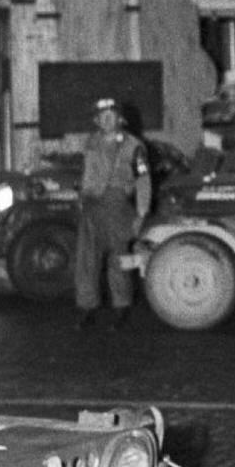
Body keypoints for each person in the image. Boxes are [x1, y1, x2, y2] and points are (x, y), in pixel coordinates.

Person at [74, 97, 152, 329]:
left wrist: (141, 213)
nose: (106, 120)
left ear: (120, 118)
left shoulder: (133, 146)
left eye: (111, 115)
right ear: (97, 120)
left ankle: (121, 309)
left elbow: (143, 180)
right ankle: (87, 309)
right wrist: (82, 200)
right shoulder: (92, 142)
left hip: (117, 205)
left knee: (119, 260)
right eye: (102, 116)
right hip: (91, 206)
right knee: (87, 261)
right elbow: (87, 174)